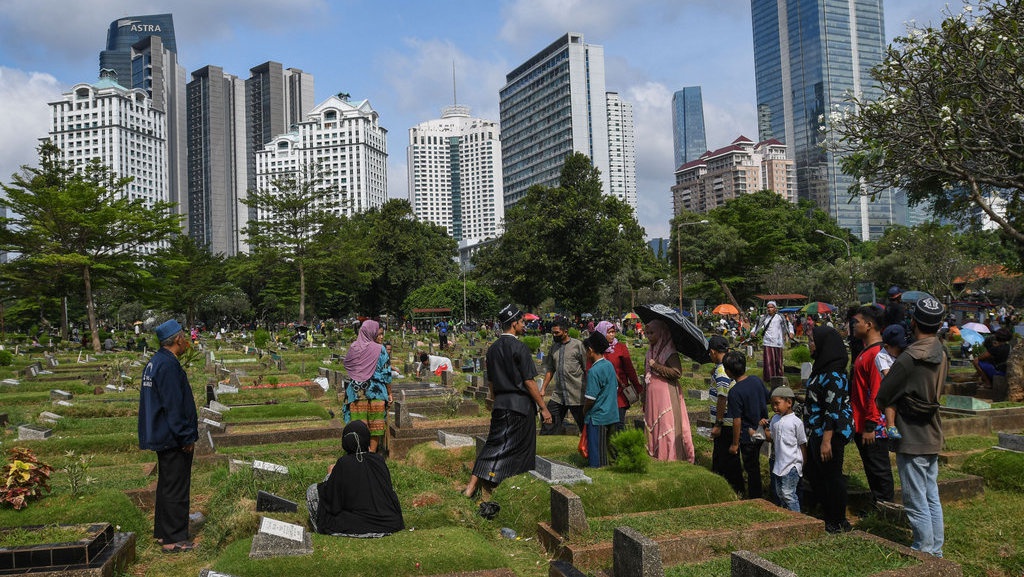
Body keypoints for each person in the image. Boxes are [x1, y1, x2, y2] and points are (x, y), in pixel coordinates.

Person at [876, 296, 948, 557]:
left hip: (911, 434)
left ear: (913, 321)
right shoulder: (941, 352)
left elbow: (883, 394)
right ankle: (936, 551)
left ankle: (923, 550)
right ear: (939, 326)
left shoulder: (910, 356)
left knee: (915, 499)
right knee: (931, 496)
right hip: (932, 430)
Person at [463, 305, 553, 506]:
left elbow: (492, 382)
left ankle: (472, 486)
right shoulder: (519, 347)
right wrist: (543, 407)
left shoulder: (493, 348)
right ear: (514, 324)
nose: (524, 326)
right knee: (520, 448)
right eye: (522, 322)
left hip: (501, 403)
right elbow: (529, 382)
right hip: (520, 406)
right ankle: (508, 483)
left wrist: (496, 401)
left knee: (494, 444)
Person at [138, 319, 198, 554]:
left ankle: (165, 533)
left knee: (167, 484)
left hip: (161, 433)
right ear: (178, 340)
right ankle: (175, 539)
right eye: (185, 338)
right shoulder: (169, 366)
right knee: (176, 487)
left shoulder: (156, 362)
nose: (188, 342)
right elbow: (174, 406)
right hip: (172, 436)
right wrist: (186, 436)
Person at [306, 420, 404, 537]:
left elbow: (332, 501)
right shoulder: (378, 460)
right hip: (390, 522)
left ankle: (319, 528)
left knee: (312, 490)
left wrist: (330, 475)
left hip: (358, 523)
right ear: (366, 438)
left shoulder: (343, 463)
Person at [803, 325, 854, 534]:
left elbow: (832, 409)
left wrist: (826, 440)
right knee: (816, 475)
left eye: (812, 341)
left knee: (832, 477)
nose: (809, 345)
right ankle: (827, 514)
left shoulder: (833, 373)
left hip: (829, 433)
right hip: (816, 431)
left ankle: (838, 520)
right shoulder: (821, 368)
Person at [850, 305, 895, 507]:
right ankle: (878, 504)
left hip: (873, 426)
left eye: (856, 322)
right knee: (871, 468)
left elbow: (876, 393)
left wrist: (870, 425)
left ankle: (886, 508)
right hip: (863, 422)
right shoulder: (865, 351)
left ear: (868, 325)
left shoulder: (877, 354)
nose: (853, 326)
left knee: (879, 469)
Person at [643, 319, 695, 463]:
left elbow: (677, 372)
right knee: (654, 424)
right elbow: (645, 374)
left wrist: (657, 366)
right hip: (652, 397)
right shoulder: (650, 351)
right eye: (647, 333)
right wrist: (644, 397)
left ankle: (670, 456)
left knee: (667, 424)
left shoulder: (670, 352)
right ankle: (655, 453)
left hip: (666, 395)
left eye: (652, 333)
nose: (649, 336)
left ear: (661, 333)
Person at [724, 351, 768, 499]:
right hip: (762, 430)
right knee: (755, 464)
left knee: (751, 468)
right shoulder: (756, 380)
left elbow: (737, 420)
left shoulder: (735, 392)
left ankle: (756, 497)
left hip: (747, 435)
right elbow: (766, 398)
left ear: (728, 372)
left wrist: (735, 444)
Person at [343, 320, 392, 453]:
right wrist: (390, 393)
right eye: (378, 333)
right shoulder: (380, 349)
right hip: (376, 391)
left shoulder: (354, 347)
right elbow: (386, 373)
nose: (380, 336)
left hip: (356, 392)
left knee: (358, 426)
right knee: (376, 425)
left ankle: (359, 453)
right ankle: (371, 454)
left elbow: (348, 366)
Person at [707, 335, 744, 494]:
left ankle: (734, 491)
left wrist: (718, 424)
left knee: (727, 461)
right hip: (727, 422)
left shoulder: (722, 370)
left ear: (714, 352)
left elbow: (722, 398)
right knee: (723, 459)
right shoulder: (723, 368)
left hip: (726, 423)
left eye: (710, 353)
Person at [539, 317, 587, 435]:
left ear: (565, 331)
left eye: (557, 333)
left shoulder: (578, 345)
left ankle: (590, 449)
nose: (554, 335)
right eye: (553, 332)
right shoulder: (554, 347)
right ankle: (545, 447)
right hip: (559, 394)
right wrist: (543, 388)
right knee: (548, 421)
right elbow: (551, 369)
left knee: (585, 426)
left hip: (577, 394)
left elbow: (587, 369)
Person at [762, 386, 806, 511]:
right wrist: (764, 428)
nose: (774, 407)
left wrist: (802, 463)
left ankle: (798, 520)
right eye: (772, 404)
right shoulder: (775, 419)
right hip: (779, 464)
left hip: (792, 464)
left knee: (788, 494)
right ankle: (787, 516)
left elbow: (802, 444)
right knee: (780, 494)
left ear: (789, 403)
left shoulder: (796, 422)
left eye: (777, 404)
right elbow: (772, 438)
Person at [594, 320, 642, 429]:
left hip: (619, 393)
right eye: (608, 332)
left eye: (613, 332)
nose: (612, 335)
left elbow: (629, 369)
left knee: (618, 424)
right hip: (602, 393)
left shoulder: (620, 348)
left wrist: (638, 388)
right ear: (601, 333)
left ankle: (619, 445)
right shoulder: (596, 350)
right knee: (603, 426)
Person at [582, 331, 619, 468]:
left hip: (598, 416)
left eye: (586, 351)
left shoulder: (593, 371)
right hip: (611, 414)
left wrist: (584, 410)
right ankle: (610, 465)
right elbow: (614, 388)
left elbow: (591, 398)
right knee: (608, 447)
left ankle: (597, 468)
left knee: (596, 449)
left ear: (590, 350)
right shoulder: (609, 365)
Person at [753, 301, 793, 382]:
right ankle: (769, 378)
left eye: (771, 307)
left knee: (778, 361)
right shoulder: (764, 318)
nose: (769, 309)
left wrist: (791, 332)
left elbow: (789, 325)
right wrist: (753, 331)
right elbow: (757, 325)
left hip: (778, 342)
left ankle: (779, 378)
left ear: (775, 308)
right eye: (768, 307)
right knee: (768, 361)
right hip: (767, 342)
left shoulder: (780, 317)